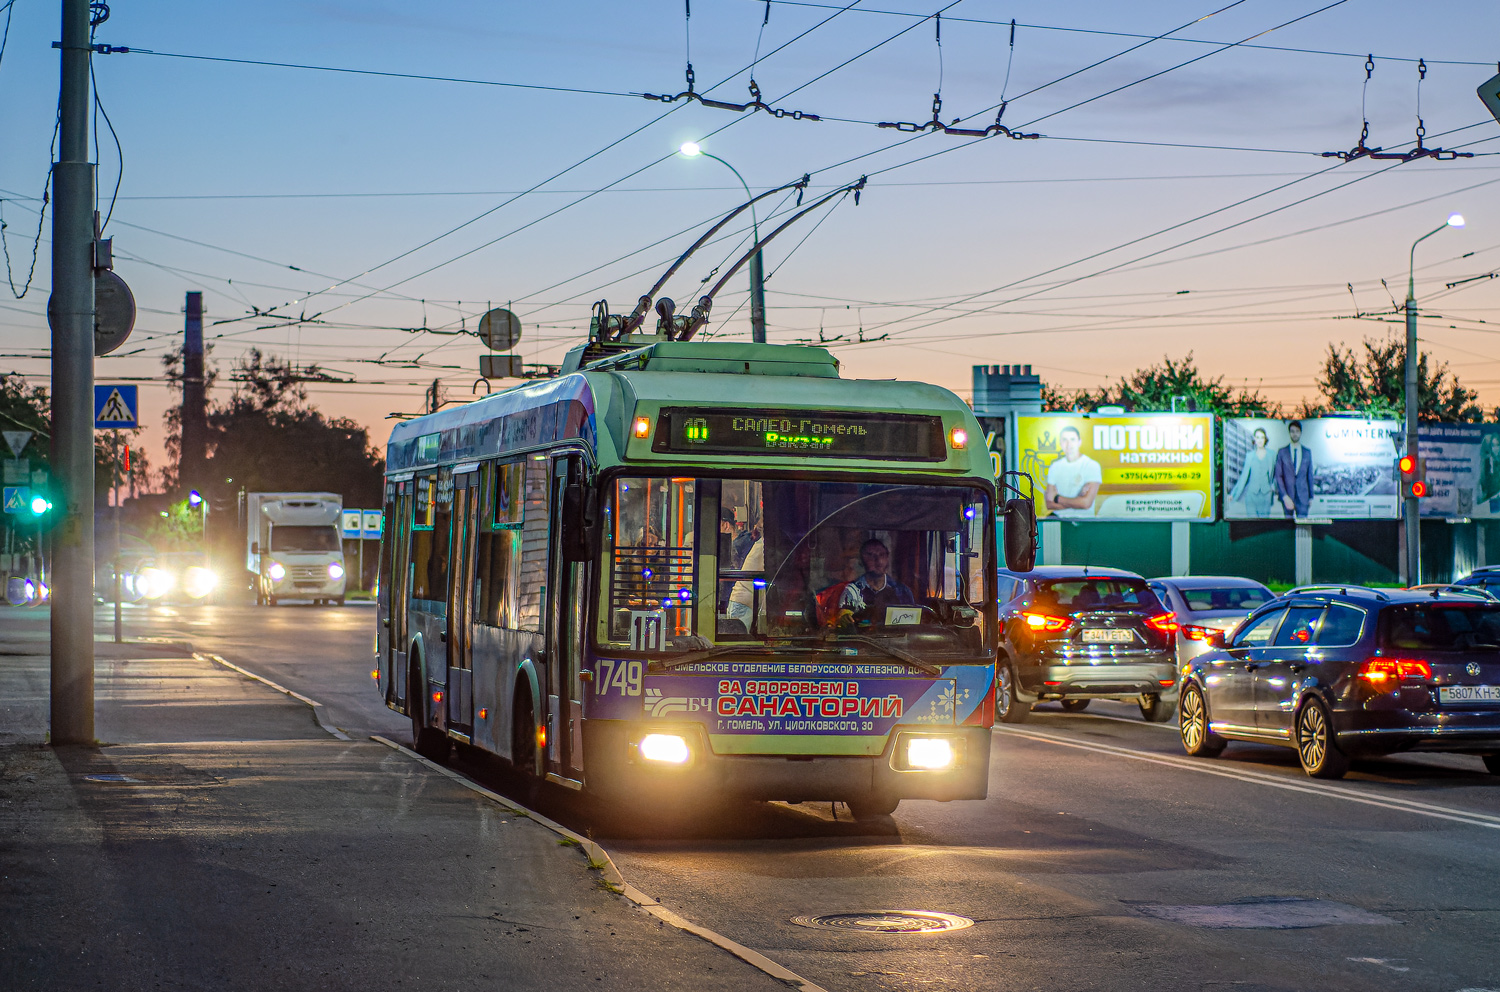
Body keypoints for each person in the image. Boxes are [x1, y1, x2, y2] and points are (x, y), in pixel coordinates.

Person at [839, 539, 915, 620]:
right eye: (871, 556)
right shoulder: (853, 591)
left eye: (882, 555)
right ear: (861, 561)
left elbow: (910, 623)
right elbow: (845, 621)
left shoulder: (902, 591)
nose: (879, 560)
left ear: (887, 558)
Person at [1044, 425, 1102, 517]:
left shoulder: (1091, 465)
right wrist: (1077, 501)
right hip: (1059, 521)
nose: (1068, 444)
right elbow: (1049, 503)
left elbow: (1086, 503)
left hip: (1084, 522)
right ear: (1060, 443)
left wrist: (1057, 498)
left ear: (1079, 442)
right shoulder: (1055, 467)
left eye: (1072, 439)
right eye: (1064, 440)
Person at [1229, 427, 1278, 517]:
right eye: (1257, 437)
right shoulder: (1250, 456)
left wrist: (1273, 488)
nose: (1259, 440)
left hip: (1266, 495)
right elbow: (1243, 477)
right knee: (1252, 524)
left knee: (1264, 524)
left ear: (1265, 439)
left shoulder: (1272, 455)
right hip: (1251, 495)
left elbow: (1274, 475)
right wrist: (1233, 494)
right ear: (1254, 439)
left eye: (1262, 437)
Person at [1273, 420, 1314, 517]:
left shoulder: (1307, 452)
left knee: (1303, 527)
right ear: (1289, 433)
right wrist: (1284, 496)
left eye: (1297, 431)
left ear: (1300, 433)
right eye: (1292, 431)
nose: (1294, 434)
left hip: (1303, 496)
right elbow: (1278, 476)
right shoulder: (1282, 452)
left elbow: (1310, 475)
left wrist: (1311, 496)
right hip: (1287, 496)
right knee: (1288, 527)